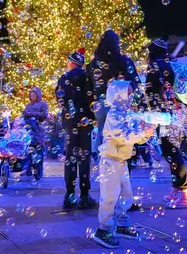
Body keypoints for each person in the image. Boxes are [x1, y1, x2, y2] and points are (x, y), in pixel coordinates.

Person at [93, 80, 155, 249]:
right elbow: (122, 136)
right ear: (118, 95)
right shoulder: (114, 114)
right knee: (110, 196)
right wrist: (141, 132)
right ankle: (103, 229)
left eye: (131, 92)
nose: (130, 96)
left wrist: (146, 133)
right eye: (127, 93)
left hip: (121, 160)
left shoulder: (128, 114)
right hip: (109, 160)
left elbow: (136, 137)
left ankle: (121, 223)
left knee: (125, 195)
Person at [145, 37, 187, 208]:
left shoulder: (155, 66)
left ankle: (185, 194)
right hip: (177, 114)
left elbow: (152, 93)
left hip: (165, 116)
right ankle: (178, 189)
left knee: (172, 153)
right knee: (172, 152)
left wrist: (150, 113)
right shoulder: (168, 64)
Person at [85, 30, 140, 151]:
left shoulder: (92, 64)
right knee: (121, 137)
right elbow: (135, 83)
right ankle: (120, 165)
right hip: (118, 104)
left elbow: (88, 88)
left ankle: (101, 161)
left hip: (99, 105)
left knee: (102, 133)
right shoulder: (123, 61)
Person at [56, 48, 97, 209]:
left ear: (71, 63)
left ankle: (69, 194)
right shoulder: (88, 77)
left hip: (70, 123)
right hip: (85, 123)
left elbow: (60, 99)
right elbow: (93, 98)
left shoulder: (64, 78)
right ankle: (85, 196)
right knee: (84, 158)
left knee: (70, 158)